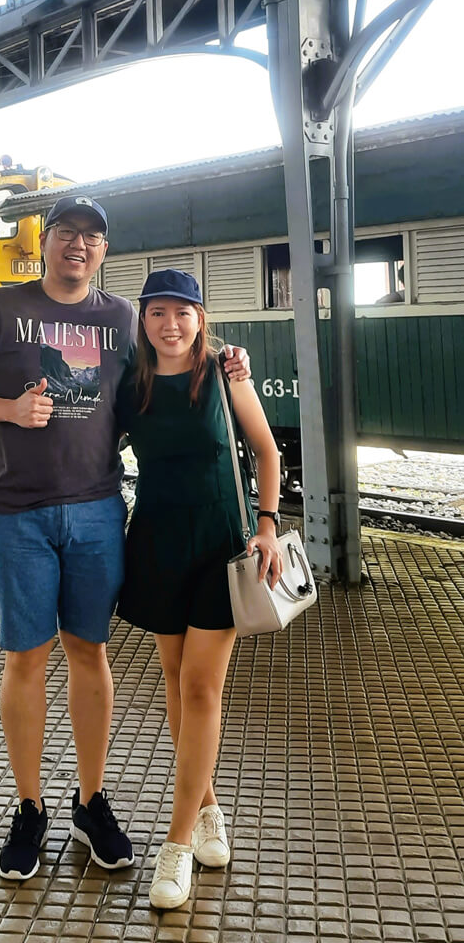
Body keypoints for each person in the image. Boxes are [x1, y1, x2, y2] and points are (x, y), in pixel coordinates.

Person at [0, 195, 252, 883]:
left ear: (104, 251)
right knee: (26, 657)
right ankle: (29, 809)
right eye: (67, 233)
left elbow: (171, 361)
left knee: (89, 652)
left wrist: (230, 360)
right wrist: (8, 408)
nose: (79, 244)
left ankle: (90, 801)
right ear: (44, 240)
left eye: (93, 237)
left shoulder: (120, 318)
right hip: (17, 512)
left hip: (99, 511)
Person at [115, 268, 283, 910]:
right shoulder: (130, 383)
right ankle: (209, 808)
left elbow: (267, 451)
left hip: (220, 547)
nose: (171, 324)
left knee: (200, 688)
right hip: (157, 543)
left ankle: (177, 843)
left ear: (200, 318)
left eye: (183, 312)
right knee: (174, 678)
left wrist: (266, 526)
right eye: (158, 312)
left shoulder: (224, 372)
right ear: (144, 319)